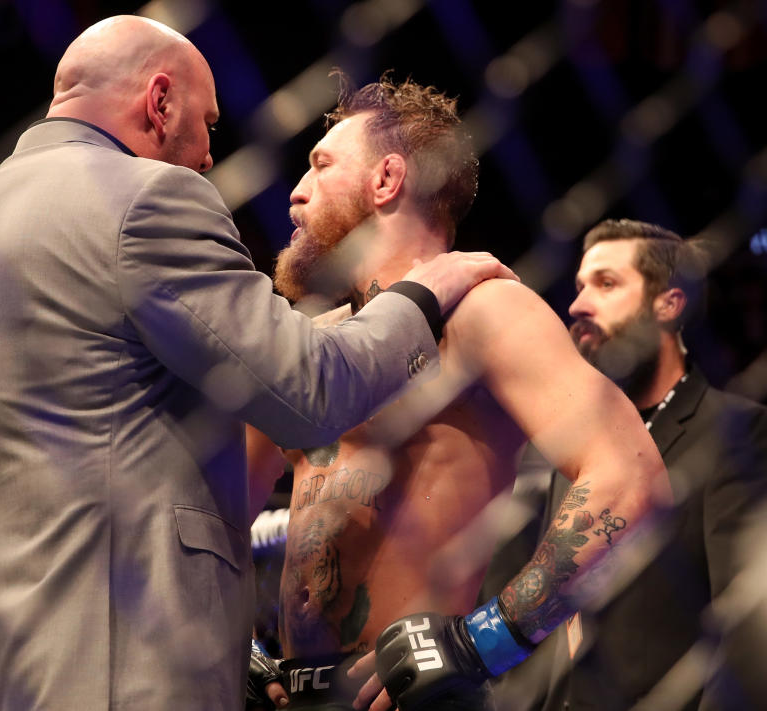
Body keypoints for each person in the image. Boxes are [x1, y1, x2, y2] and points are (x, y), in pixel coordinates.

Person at [0, 16, 516, 711]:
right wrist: (422, 295)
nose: (204, 158)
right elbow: (308, 388)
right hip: (117, 664)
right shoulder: (144, 198)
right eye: (207, 125)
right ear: (159, 101)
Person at [243, 76, 672, 711]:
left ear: (386, 180)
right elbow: (209, 511)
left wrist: (485, 641)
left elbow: (631, 478)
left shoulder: (482, 313)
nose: (296, 195)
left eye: (321, 165)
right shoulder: (306, 347)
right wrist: (232, 640)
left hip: (417, 693)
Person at [479, 219, 767, 710]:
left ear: (669, 304)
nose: (577, 305)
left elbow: (743, 629)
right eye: (579, 286)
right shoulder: (558, 448)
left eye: (606, 284)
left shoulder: (735, 431)